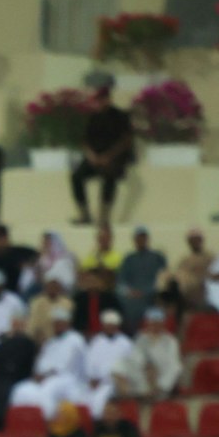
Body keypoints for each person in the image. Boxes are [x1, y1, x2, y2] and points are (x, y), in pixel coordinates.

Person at [71, 74, 132, 225]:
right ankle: (84, 214)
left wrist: (109, 156)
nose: (100, 102)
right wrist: (91, 156)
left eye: (103, 99)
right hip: (95, 157)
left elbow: (126, 140)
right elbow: (85, 140)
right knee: (76, 176)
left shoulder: (119, 116)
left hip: (113, 158)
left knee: (109, 175)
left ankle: (104, 217)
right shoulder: (93, 117)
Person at [116, 225, 168, 326]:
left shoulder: (157, 257)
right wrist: (129, 291)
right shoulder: (129, 259)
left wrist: (146, 291)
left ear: (147, 239)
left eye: (143, 237)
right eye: (138, 238)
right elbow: (121, 281)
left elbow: (163, 279)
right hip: (131, 296)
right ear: (134, 240)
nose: (141, 240)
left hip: (152, 295)